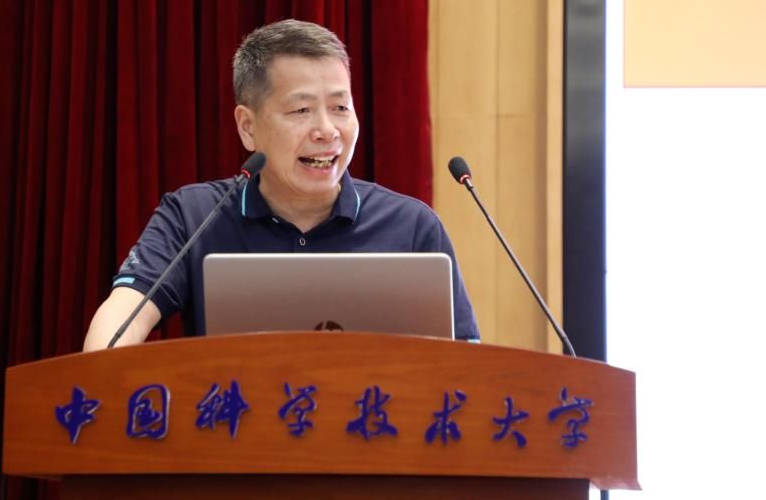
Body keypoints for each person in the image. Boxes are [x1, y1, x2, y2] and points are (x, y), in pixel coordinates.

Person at [83, 19, 478, 350]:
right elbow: (123, 314)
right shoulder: (194, 217)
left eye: (340, 107)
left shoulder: (411, 226)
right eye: (301, 110)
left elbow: (466, 361)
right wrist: (101, 379)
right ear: (248, 127)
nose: (327, 130)